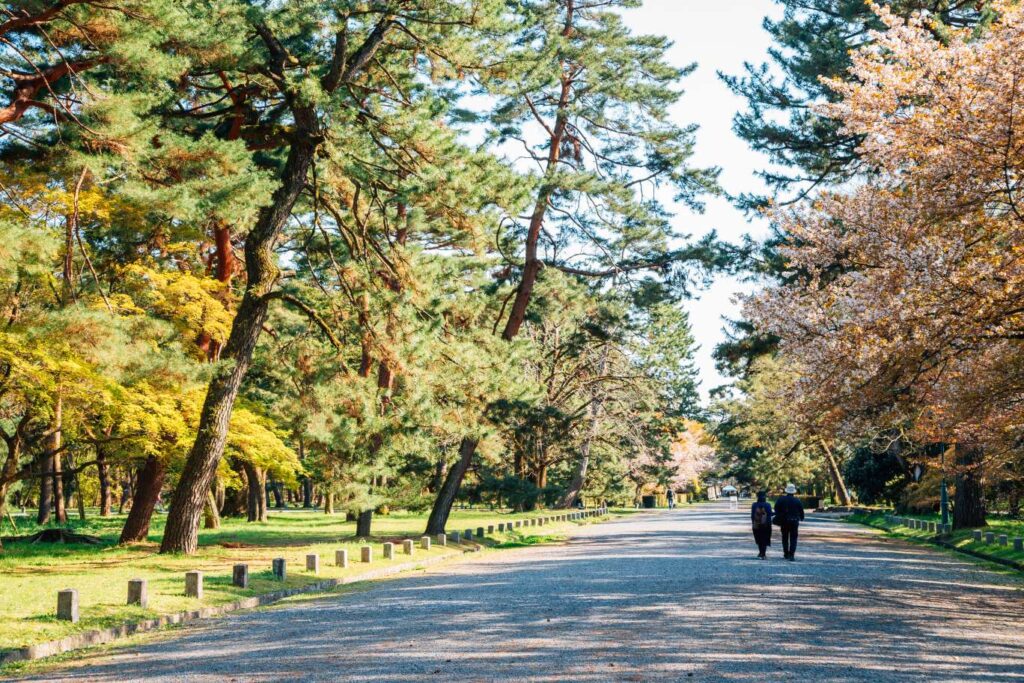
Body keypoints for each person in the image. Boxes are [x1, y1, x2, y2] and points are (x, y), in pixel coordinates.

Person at [773, 484, 805, 561]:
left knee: (785, 537)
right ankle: (792, 554)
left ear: (786, 491)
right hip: (794, 521)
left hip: (784, 521)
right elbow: (801, 511)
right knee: (793, 538)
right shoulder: (797, 500)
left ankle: (786, 554)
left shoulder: (781, 499)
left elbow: (776, 508)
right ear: (794, 492)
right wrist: (801, 518)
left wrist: (780, 514)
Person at [750, 491, 773, 559]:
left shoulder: (754, 505)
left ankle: (761, 552)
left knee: (759, 538)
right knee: (765, 539)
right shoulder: (768, 505)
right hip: (766, 525)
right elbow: (770, 514)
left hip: (756, 524)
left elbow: (752, 515)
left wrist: (753, 523)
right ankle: (763, 553)